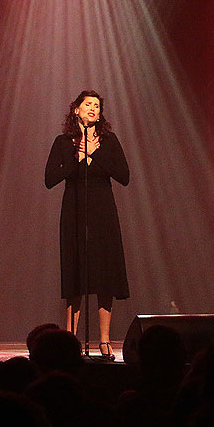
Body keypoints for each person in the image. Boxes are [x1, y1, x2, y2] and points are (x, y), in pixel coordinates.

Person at [44, 90, 130, 360]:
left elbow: (124, 176)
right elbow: (49, 178)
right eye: (88, 104)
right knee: (76, 276)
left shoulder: (109, 141)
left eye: (97, 106)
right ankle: (70, 343)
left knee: (105, 276)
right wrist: (77, 159)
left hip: (103, 214)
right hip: (74, 213)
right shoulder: (63, 142)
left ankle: (105, 341)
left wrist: (96, 153)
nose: (93, 109)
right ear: (76, 110)